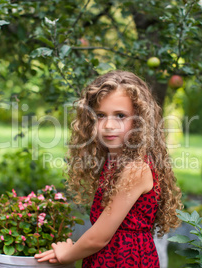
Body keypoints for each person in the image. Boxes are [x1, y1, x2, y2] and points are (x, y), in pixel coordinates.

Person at [34, 70, 183, 267]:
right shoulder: (116, 161)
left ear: (140, 121)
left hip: (124, 260)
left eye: (120, 115)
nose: (109, 125)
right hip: (110, 256)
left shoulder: (135, 169)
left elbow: (99, 238)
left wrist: (66, 255)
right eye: (101, 115)